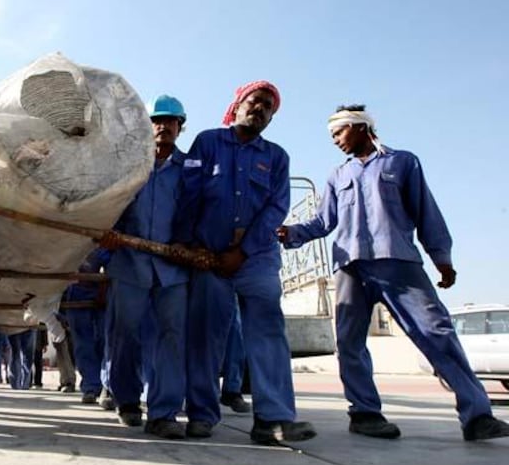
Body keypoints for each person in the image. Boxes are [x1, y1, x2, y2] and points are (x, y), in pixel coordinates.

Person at [277, 104, 509, 441]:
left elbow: (425, 209)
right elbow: (323, 222)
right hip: (350, 266)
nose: (335, 140)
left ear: (360, 127)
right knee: (350, 342)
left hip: (397, 261)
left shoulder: (402, 162)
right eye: (331, 135)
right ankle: (365, 413)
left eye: (339, 132)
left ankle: (477, 416)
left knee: (436, 332)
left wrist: (441, 257)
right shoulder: (337, 176)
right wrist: (291, 232)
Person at [174, 81, 315, 444]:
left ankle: (274, 418)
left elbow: (276, 208)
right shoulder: (207, 143)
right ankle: (202, 414)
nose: (261, 109)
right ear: (237, 104)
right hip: (209, 258)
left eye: (269, 107)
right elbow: (188, 194)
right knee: (205, 336)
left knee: (268, 333)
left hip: (257, 260)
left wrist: (243, 250)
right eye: (256, 101)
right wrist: (192, 246)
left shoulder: (278, 157)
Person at [101, 95, 190, 439]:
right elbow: (109, 205)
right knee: (125, 335)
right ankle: (126, 400)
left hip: (173, 267)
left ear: (180, 127)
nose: (162, 127)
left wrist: (186, 242)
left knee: (171, 338)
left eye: (170, 121)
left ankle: (164, 412)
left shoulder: (190, 169)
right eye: (157, 121)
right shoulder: (130, 165)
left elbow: (196, 210)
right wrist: (109, 237)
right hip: (130, 263)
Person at [62, 248, 112, 405]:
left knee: (106, 342)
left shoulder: (101, 239)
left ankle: (108, 386)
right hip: (75, 294)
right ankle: (91, 387)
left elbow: (111, 261)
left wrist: (104, 289)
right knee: (83, 345)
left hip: (102, 292)